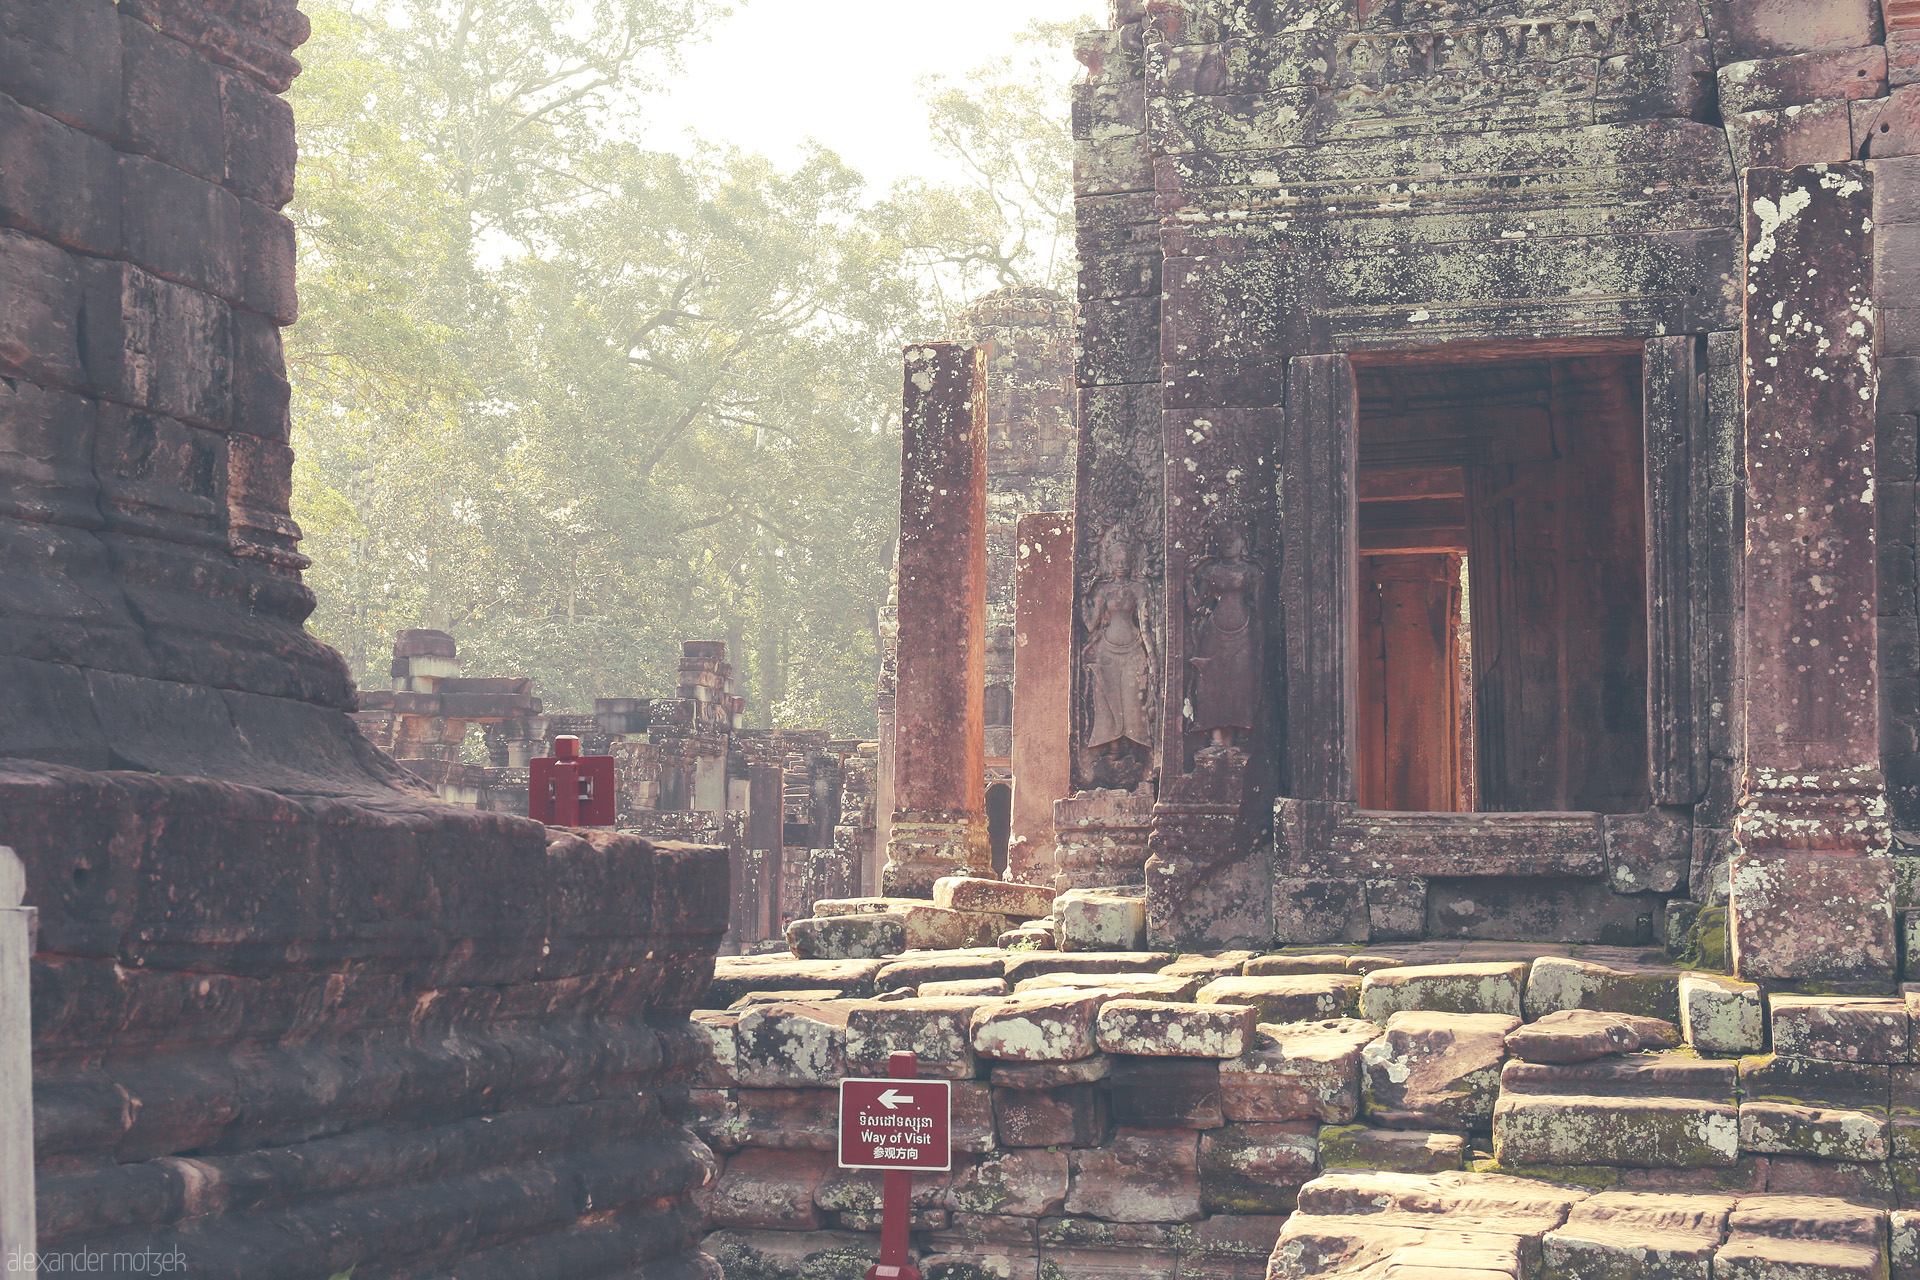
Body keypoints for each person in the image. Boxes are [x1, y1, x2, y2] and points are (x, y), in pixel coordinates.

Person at [1188, 523, 1260, 748]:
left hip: (1244, 631)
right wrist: (1188, 578)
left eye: (1234, 538)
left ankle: (1240, 733)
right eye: (1224, 539)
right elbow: (1194, 606)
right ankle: (1216, 735)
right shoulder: (1211, 571)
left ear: (1244, 542)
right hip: (1214, 632)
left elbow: (1260, 607)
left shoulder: (1251, 572)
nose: (1229, 544)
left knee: (1242, 681)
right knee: (1212, 680)